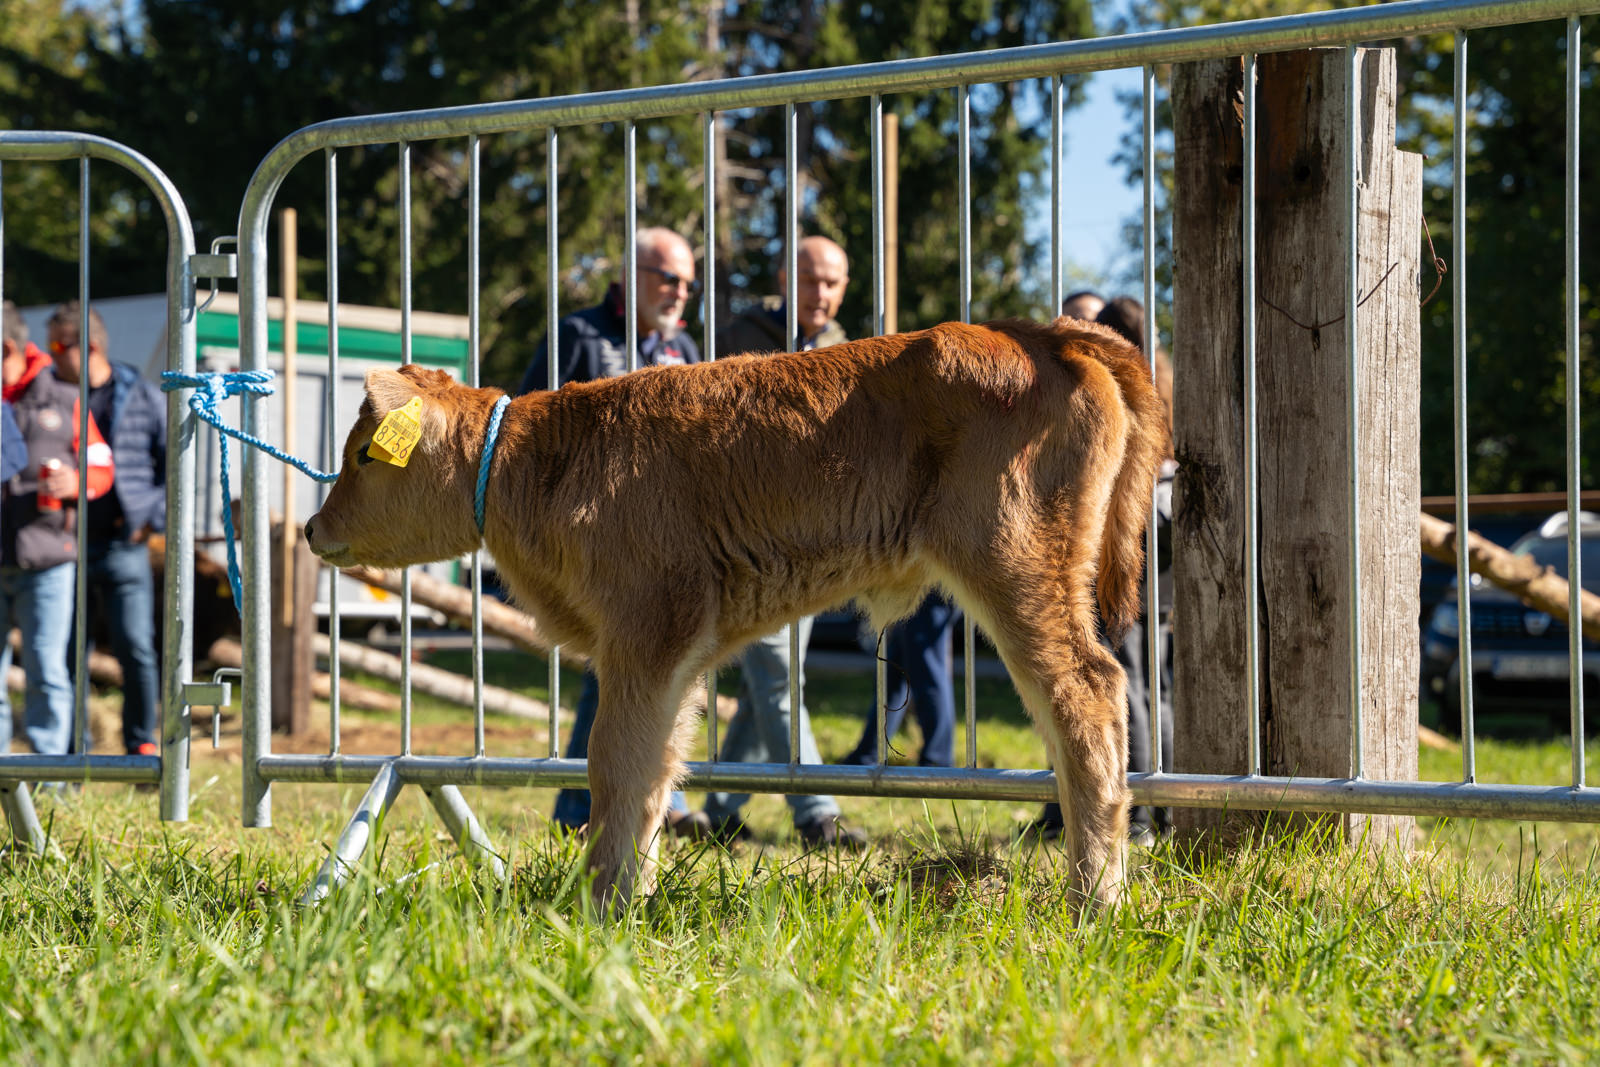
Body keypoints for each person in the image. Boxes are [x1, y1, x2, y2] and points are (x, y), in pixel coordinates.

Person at [523, 227, 710, 839]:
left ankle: (652, 801)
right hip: (594, 541)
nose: (680, 292)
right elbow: (528, 426)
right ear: (630, 277)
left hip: (669, 542)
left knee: (653, 670)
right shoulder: (579, 335)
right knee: (613, 672)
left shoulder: (684, 346)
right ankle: (586, 811)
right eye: (669, 278)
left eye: (688, 283)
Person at [700, 235, 865, 850]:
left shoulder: (849, 350)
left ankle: (721, 806)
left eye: (832, 282)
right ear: (784, 279)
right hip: (747, 539)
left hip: (817, 544)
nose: (820, 292)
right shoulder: (740, 338)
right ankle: (817, 812)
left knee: (765, 681)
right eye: (810, 278)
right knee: (776, 674)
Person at [1022, 294, 1176, 846]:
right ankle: (1157, 808)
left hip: (1128, 548)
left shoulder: (1119, 387)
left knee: (1125, 684)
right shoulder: (1162, 380)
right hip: (1152, 556)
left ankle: (1137, 814)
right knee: (1152, 685)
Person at [47, 302, 166, 758]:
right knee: (68, 651)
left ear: (89, 346)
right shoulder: (53, 394)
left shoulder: (141, 395)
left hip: (123, 544)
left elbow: (172, 465)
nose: (51, 356)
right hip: (66, 544)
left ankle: (142, 745)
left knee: (135, 647)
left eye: (58, 345)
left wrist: (150, 519)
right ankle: (73, 751)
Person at [0, 300, 111, 758]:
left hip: (48, 560)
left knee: (46, 670)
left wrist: (77, 482)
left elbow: (102, 466)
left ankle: (50, 778)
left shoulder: (65, 395)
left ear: (7, 349)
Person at [842, 592, 957, 770]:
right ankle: (866, 755)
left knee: (927, 670)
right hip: (917, 588)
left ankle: (938, 762)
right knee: (894, 673)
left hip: (927, 587)